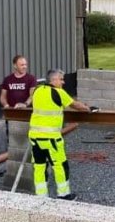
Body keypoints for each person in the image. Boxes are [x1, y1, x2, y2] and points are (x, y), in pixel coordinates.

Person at [28, 69, 91, 199]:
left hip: (35, 137)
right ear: (54, 80)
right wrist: (88, 108)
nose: (63, 82)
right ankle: (64, 194)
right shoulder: (58, 92)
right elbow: (75, 105)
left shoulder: (37, 90)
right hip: (51, 138)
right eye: (61, 79)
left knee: (40, 166)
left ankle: (41, 196)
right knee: (60, 165)